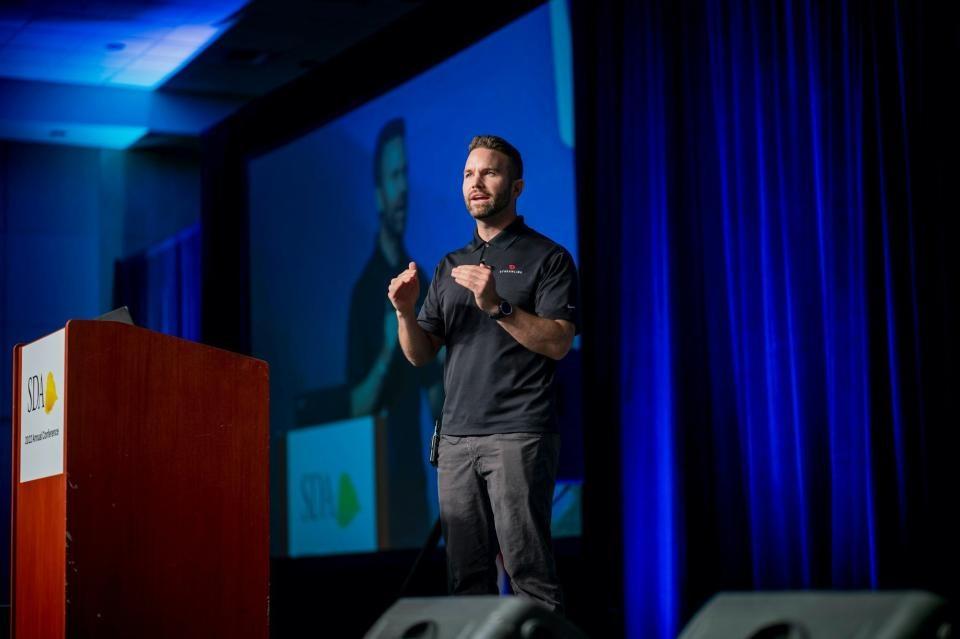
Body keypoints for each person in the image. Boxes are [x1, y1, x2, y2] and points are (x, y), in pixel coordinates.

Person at [387, 134, 579, 612]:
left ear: (516, 188)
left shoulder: (548, 258)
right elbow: (419, 355)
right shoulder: (451, 265)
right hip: (455, 441)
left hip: (518, 434)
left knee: (529, 575)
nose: (476, 182)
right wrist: (405, 314)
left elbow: (558, 341)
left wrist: (497, 306)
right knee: (465, 583)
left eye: (489, 173)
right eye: (469, 174)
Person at [346, 118, 442, 548]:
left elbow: (436, 397)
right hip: (367, 497)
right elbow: (354, 407)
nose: (403, 188)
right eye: (394, 176)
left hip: (415, 492)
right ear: (378, 194)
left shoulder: (422, 278)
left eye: (406, 174)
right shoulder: (365, 293)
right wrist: (390, 352)